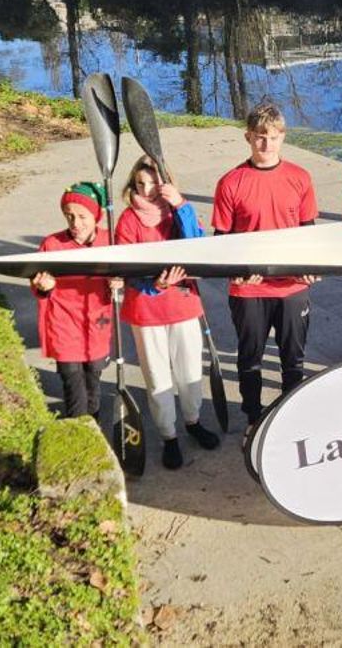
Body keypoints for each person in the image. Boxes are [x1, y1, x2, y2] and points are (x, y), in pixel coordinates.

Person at [212, 104, 320, 435]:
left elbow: (309, 232)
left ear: (283, 137)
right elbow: (221, 241)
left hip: (291, 289)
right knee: (250, 359)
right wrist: (237, 271)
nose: (267, 145)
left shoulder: (300, 178)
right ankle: (253, 418)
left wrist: (311, 269)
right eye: (260, 138)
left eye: (273, 138)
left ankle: (291, 415)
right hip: (250, 289)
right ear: (248, 137)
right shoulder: (231, 182)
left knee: (293, 360)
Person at [115, 154, 220, 470]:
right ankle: (169, 436)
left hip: (183, 305)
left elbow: (197, 245)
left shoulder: (177, 213)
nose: (146, 191)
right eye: (139, 184)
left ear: (165, 184)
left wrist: (182, 205)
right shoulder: (128, 220)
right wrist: (156, 285)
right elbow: (128, 271)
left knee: (189, 372)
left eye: (152, 184)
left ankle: (192, 421)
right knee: (158, 377)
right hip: (147, 310)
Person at [30, 182, 115, 426]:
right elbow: (37, 284)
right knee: (73, 384)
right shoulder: (51, 245)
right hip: (64, 325)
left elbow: (124, 278)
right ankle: (80, 432)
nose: (75, 223)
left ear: (96, 215)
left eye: (82, 216)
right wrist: (43, 287)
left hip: (97, 324)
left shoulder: (110, 242)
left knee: (93, 380)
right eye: (69, 216)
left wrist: (118, 282)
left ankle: (94, 426)